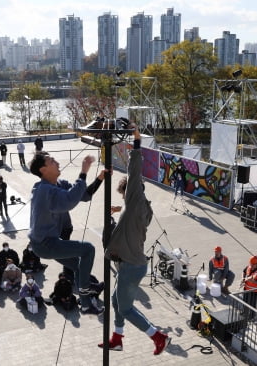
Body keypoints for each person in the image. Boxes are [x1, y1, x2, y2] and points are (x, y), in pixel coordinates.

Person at [101, 126, 169, 355]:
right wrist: (122, 210)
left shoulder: (134, 194)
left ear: (129, 191)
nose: (124, 195)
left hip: (130, 265)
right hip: (132, 263)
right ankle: (117, 338)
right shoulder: (143, 207)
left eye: (124, 194)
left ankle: (158, 336)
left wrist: (137, 144)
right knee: (115, 301)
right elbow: (134, 216)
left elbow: (135, 171)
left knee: (126, 308)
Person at [28, 151, 102, 315]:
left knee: (78, 266)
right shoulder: (43, 190)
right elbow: (69, 201)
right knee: (88, 249)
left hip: (50, 241)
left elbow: (83, 195)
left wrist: (100, 178)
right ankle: (86, 292)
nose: (56, 161)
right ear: (43, 170)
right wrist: (83, 172)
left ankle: (87, 300)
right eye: (51, 160)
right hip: (45, 244)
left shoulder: (57, 184)